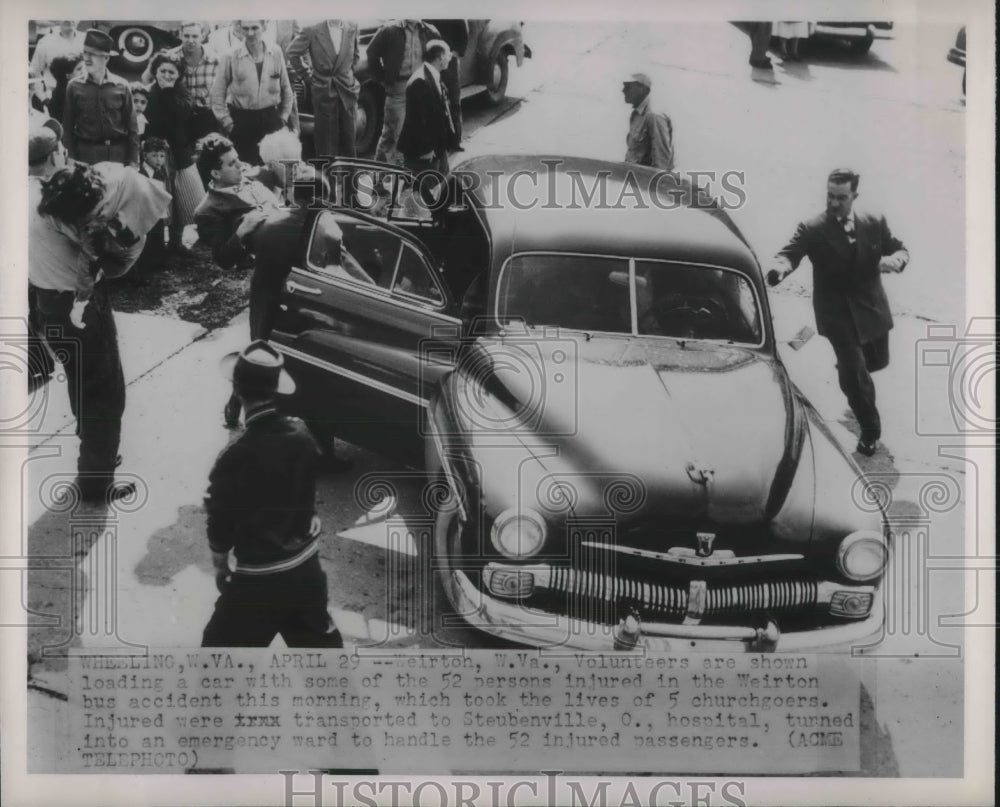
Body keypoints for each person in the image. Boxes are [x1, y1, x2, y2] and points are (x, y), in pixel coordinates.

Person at [32, 159, 169, 504]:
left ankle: (95, 451)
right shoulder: (76, 221)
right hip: (82, 312)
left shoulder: (31, 195)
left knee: (81, 382)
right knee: (105, 395)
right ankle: (95, 480)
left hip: (48, 304)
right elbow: (112, 259)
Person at [201, 340, 344, 648]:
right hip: (307, 572)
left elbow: (219, 523)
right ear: (276, 390)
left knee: (219, 668)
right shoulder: (302, 436)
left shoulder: (235, 456)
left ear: (237, 391)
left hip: (258, 583)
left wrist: (220, 566)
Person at [767, 168, 909, 456]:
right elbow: (790, 253)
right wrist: (779, 267)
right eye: (830, 196)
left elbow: (900, 249)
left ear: (854, 196)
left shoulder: (873, 221)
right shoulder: (813, 228)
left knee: (876, 363)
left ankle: (848, 374)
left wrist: (897, 259)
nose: (833, 203)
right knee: (856, 374)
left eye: (841, 198)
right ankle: (870, 430)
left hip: (871, 307)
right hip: (837, 314)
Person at [193, 133, 281, 427]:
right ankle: (239, 407)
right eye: (232, 164)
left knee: (268, 342)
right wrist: (242, 231)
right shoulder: (208, 210)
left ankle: (238, 403)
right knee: (262, 344)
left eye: (239, 159)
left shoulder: (250, 179)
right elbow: (223, 258)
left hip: (290, 258)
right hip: (264, 275)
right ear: (215, 173)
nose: (240, 166)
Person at [144, 50, 205, 254]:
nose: (167, 76)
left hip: (180, 152)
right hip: (155, 154)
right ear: (155, 71)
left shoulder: (183, 94)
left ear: (179, 75)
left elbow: (182, 114)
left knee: (187, 196)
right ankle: (159, 246)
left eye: (172, 72)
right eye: (163, 71)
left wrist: (168, 91)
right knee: (160, 197)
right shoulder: (147, 93)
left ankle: (177, 242)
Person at [210, 20, 294, 164]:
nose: (250, 33)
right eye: (245, 29)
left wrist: (283, 118)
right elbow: (217, 95)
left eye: (255, 28)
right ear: (240, 29)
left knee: (273, 168)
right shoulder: (230, 56)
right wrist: (228, 124)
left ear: (264, 27)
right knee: (245, 170)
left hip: (271, 121)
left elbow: (286, 89)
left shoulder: (275, 52)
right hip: (242, 122)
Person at [366, 20, 441, 165]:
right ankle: (381, 179)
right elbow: (371, 53)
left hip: (422, 86)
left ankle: (410, 178)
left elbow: (439, 57)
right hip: (398, 87)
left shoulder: (430, 32)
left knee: (420, 134)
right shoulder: (389, 30)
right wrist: (383, 79)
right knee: (392, 135)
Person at [62, 30, 139, 167]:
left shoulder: (122, 85)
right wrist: (70, 157)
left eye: (93, 54)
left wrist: (133, 161)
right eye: (85, 52)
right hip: (85, 157)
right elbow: (67, 128)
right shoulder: (74, 86)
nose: (87, 58)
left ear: (106, 58)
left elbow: (132, 128)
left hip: (117, 156)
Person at [286, 19, 361, 159]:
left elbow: (355, 57)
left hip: (348, 91)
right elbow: (292, 52)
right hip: (324, 91)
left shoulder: (352, 26)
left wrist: (348, 76)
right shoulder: (312, 29)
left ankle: (351, 178)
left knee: (349, 141)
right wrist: (308, 77)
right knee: (326, 144)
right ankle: (327, 179)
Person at [142, 22, 220, 140]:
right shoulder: (170, 56)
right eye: (187, 36)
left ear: (203, 37)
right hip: (177, 116)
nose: (190, 40)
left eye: (195, 36)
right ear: (180, 35)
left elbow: (223, 89)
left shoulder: (215, 60)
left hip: (205, 116)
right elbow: (146, 79)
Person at [397, 40, 459, 180]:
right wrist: (426, 150)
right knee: (424, 194)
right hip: (423, 153)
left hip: (438, 148)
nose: (450, 58)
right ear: (440, 57)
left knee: (444, 188)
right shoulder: (421, 81)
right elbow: (418, 120)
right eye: (448, 54)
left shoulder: (433, 76)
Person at [424, 20, 469, 147]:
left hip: (449, 59)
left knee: (454, 100)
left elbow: (463, 34)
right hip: (432, 59)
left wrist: (454, 53)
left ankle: (456, 140)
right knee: (431, 99)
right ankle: (436, 140)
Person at [135, 137, 172, 276]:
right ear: (145, 156)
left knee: (159, 233)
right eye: (154, 156)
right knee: (147, 237)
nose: (159, 160)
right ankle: (145, 266)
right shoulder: (141, 173)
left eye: (162, 156)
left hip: (157, 208)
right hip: (145, 209)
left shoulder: (161, 172)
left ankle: (159, 259)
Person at [622, 72, 674, 171]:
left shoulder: (654, 116)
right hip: (634, 179)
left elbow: (661, 164)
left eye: (628, 87)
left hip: (647, 183)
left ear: (643, 90)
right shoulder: (636, 115)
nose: (623, 90)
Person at [29, 21, 86, 108]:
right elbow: (34, 73)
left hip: (82, 98)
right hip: (54, 99)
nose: (69, 19)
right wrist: (44, 98)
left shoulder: (86, 39)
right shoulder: (46, 42)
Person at [45, 52, 85, 122]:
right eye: (79, 69)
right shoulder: (65, 94)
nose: (83, 72)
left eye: (84, 68)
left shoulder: (63, 91)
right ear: (67, 75)